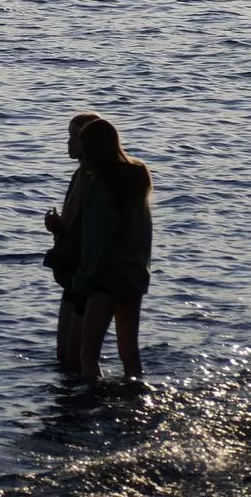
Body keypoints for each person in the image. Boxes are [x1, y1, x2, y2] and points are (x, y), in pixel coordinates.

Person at [72, 117, 153, 381]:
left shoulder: (100, 183)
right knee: (129, 351)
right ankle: (135, 393)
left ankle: (90, 399)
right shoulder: (137, 175)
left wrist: (84, 279)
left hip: (105, 278)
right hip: (133, 273)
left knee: (89, 354)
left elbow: (97, 237)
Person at [44, 110, 101, 368]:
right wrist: (58, 227)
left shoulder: (94, 179)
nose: (68, 143)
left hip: (85, 272)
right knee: (64, 352)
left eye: (74, 137)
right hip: (74, 271)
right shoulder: (79, 175)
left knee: (77, 355)